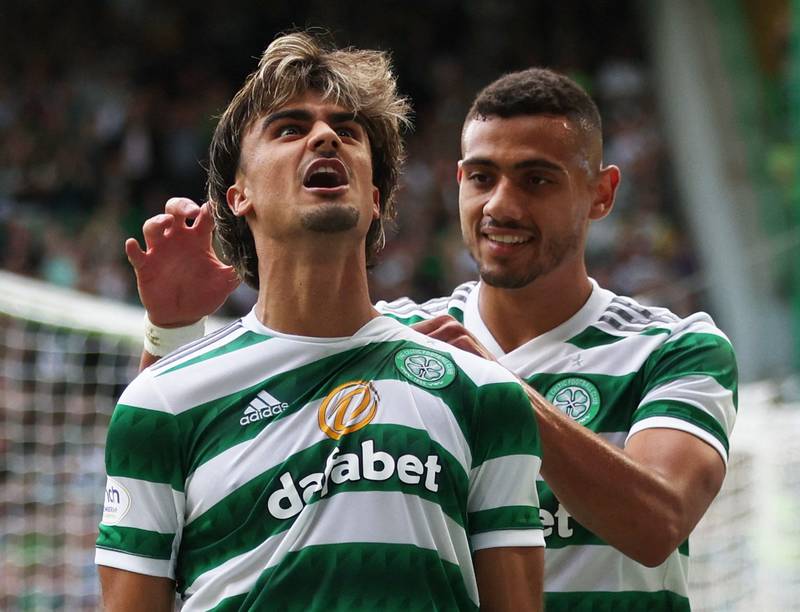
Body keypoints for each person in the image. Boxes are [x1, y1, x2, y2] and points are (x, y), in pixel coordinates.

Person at [129, 68, 737, 611]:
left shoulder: (672, 348)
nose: (502, 204)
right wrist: (173, 328)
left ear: (601, 193)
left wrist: (495, 388)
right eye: (482, 177)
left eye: (537, 180)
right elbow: (179, 464)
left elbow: (657, 524)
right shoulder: (394, 337)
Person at [97, 33, 546, 612]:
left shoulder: (484, 393)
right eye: (289, 128)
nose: (326, 136)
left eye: (349, 131)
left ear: (377, 196)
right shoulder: (160, 402)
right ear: (239, 195)